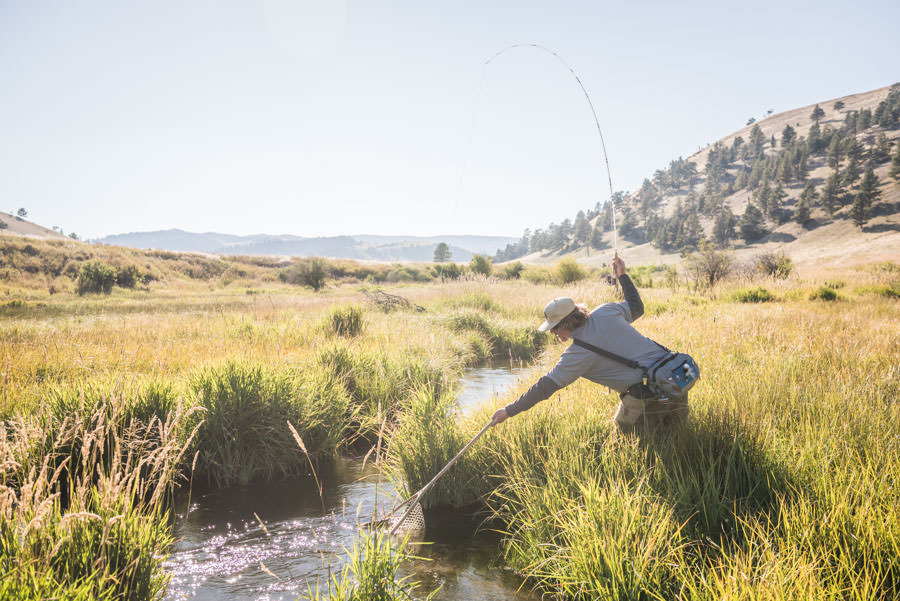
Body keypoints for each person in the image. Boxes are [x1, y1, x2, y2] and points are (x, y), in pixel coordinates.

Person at [491, 254, 688, 431]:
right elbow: (637, 307)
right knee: (679, 436)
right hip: (675, 378)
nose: (552, 332)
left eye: (554, 327)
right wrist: (623, 276)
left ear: (566, 323)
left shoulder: (577, 354)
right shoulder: (606, 311)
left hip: (647, 395)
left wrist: (508, 411)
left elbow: (545, 387)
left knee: (627, 442)